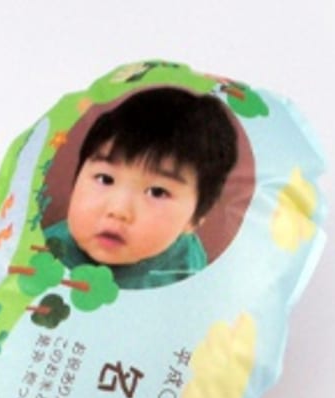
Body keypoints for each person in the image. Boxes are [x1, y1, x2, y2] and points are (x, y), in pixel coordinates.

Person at [44, 87, 238, 289]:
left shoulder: (186, 261)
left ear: (194, 219)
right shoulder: (46, 255)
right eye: (105, 179)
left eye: (157, 192)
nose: (118, 210)